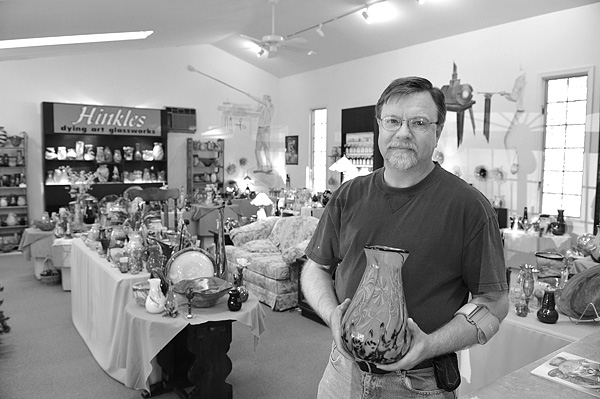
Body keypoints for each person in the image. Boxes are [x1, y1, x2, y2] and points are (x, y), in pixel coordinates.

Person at [301, 76, 509, 399]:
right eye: (393, 121)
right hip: (342, 373)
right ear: (379, 127)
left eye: (419, 122)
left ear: (437, 132)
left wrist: (429, 346)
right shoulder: (348, 195)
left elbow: (494, 306)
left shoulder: (470, 208)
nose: (403, 132)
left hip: (420, 384)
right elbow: (314, 268)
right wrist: (331, 316)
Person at [247, 93, 274, 173]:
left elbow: (260, 100)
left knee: (266, 149)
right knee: (257, 150)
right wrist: (258, 104)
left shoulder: (270, 106)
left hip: (265, 129)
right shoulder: (262, 106)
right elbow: (255, 111)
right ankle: (260, 167)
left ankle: (269, 166)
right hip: (260, 129)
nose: (263, 99)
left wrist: (251, 95)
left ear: (268, 99)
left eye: (264, 98)